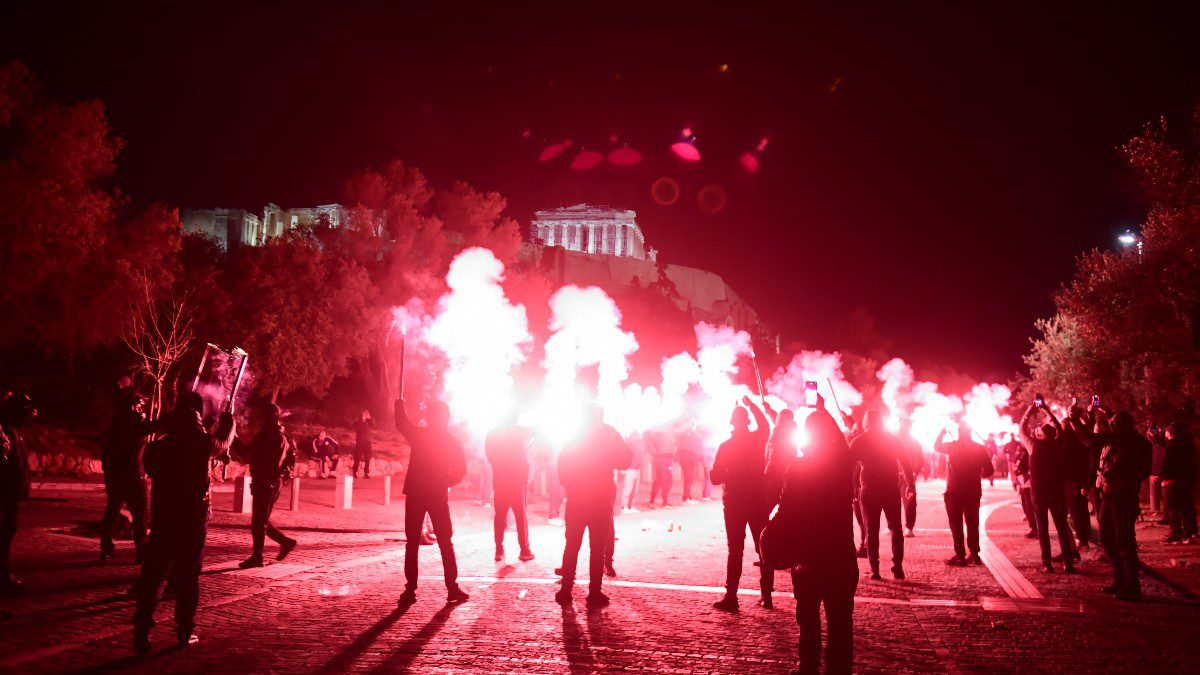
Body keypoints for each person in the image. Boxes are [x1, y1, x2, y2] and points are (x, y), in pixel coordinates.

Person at [132, 391, 235, 652]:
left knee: (153, 575)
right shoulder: (203, 443)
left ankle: (142, 630)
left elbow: (151, 467)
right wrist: (229, 423)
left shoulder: (158, 447)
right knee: (188, 576)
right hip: (191, 518)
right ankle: (184, 629)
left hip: (164, 517)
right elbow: (223, 443)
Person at [776, 406, 858, 674]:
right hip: (841, 556)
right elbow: (845, 444)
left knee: (808, 616)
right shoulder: (844, 466)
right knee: (841, 622)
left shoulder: (800, 467)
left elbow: (786, 510)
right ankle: (839, 669)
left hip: (809, 555)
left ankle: (807, 665)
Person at [554, 399, 631, 608]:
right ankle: (594, 592)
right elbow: (624, 462)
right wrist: (628, 447)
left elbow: (562, 466)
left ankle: (566, 590)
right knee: (596, 548)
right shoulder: (609, 434)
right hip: (599, 499)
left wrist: (570, 485)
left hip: (578, 499)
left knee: (572, 546)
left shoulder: (575, 436)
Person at [395, 398, 469, 605]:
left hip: (417, 492)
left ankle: (410, 590)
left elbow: (402, 424)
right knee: (445, 541)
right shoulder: (452, 441)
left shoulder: (420, 435)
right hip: (437, 493)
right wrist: (445, 482)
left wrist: (400, 406)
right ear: (447, 418)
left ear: (429, 417)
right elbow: (461, 471)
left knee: (412, 543)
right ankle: (452, 588)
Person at [710, 396, 773, 612]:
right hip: (756, 499)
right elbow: (765, 425)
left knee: (735, 550)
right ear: (747, 422)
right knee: (763, 548)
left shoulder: (725, 446)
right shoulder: (757, 439)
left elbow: (715, 478)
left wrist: (725, 471)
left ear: (731, 423)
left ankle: (732, 596)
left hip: (735, 502)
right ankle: (767, 595)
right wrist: (752, 405)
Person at [1091, 410, 1152, 600]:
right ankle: (1120, 577)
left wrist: (1123, 479)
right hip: (1108, 495)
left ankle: (1132, 585)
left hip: (1124, 496)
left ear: (1125, 425)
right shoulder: (1113, 442)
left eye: (1115, 424)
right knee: (1106, 538)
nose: (1112, 427)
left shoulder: (1139, 443)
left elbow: (1142, 470)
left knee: (1125, 540)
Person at [849, 409, 914, 580]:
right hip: (890, 488)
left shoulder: (859, 441)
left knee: (872, 530)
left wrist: (850, 488)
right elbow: (906, 462)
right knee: (896, 528)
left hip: (869, 489)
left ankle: (875, 569)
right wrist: (910, 483)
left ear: (866, 422)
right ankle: (897, 567)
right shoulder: (892, 439)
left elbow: (847, 468)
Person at [239, 404, 298, 568]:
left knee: (259, 521)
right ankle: (286, 542)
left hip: (265, 482)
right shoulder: (283, 435)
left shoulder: (267, 435)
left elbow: (245, 453)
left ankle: (258, 555)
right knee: (261, 520)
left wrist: (232, 435)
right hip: (274, 483)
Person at [1019, 404, 1076, 573]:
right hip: (1056, 491)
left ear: (1041, 435)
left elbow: (1022, 428)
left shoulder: (1033, 445)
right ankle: (1068, 562)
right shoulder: (1058, 444)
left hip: (1039, 492)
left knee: (1042, 528)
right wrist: (1047, 410)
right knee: (1061, 526)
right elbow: (1059, 428)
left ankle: (1047, 562)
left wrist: (1030, 410)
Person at [100, 377, 149, 563]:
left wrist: (109, 472)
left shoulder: (114, 425)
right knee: (140, 513)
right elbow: (153, 426)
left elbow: (105, 452)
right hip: (134, 476)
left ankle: (105, 547)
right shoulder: (134, 424)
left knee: (112, 510)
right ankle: (141, 551)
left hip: (115, 475)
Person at [935, 422, 994, 566]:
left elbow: (936, 447)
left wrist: (941, 432)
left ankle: (960, 556)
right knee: (973, 523)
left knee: (956, 525)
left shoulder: (952, 446)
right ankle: (974, 554)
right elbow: (989, 470)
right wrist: (978, 475)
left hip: (954, 491)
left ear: (959, 432)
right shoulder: (979, 448)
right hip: (973, 491)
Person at [485, 412, 535, 562]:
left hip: (500, 480)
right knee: (520, 516)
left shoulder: (492, 434)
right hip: (517, 481)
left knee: (500, 515)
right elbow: (536, 430)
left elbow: (490, 457)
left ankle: (499, 550)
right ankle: (524, 550)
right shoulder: (518, 431)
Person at [0, 391, 35, 597]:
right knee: (3, 535)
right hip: (4, 495)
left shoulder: (11, 430)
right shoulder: (4, 430)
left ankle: (4, 576)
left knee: (6, 535)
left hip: (9, 495)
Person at [1159, 421, 1196, 544]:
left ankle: (1176, 534)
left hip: (1171, 481)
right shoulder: (1187, 445)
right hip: (1184, 481)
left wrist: (1162, 477)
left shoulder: (1171, 446)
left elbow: (1166, 464)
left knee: (1172, 509)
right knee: (1185, 508)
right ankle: (1188, 534)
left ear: (1170, 433)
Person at [764, 407, 798, 509]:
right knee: (783, 501)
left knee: (770, 501)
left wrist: (767, 474)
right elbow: (776, 419)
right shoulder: (789, 428)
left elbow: (775, 455)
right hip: (786, 472)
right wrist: (768, 409)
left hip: (776, 473)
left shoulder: (778, 432)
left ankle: (762, 523)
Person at [899, 419, 925, 537]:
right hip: (893, 475)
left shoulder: (914, 442)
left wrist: (914, 473)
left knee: (909, 501)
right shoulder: (894, 439)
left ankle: (909, 527)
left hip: (907, 476)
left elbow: (920, 459)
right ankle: (894, 526)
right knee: (891, 502)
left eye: (904, 425)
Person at [646, 427, 675, 508]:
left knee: (660, 480)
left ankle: (653, 501)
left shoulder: (660, 433)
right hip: (663, 458)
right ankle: (664, 502)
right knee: (666, 480)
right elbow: (651, 445)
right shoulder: (660, 434)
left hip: (664, 458)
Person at [677, 423, 703, 503]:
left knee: (689, 479)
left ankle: (687, 496)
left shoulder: (690, 436)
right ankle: (686, 498)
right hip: (687, 460)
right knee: (688, 478)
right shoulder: (686, 437)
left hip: (691, 459)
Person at [351, 409, 374, 479]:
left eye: (366, 412)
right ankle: (354, 472)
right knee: (357, 457)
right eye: (364, 412)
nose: (365, 414)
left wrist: (369, 418)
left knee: (368, 457)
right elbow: (356, 426)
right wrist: (362, 420)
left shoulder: (369, 421)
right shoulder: (358, 420)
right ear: (361, 413)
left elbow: (374, 425)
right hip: (360, 442)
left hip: (368, 442)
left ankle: (366, 473)